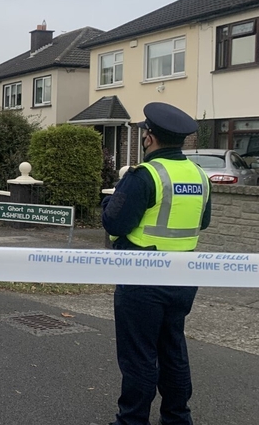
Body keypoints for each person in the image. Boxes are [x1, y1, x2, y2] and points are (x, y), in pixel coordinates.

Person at [99, 102, 212, 425]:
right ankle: (177, 417)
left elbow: (115, 224)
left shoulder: (145, 174)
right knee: (172, 348)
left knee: (139, 353)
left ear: (149, 137)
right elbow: (202, 222)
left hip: (143, 276)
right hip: (184, 276)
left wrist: (108, 201)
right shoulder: (199, 175)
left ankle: (132, 420)